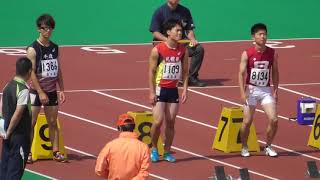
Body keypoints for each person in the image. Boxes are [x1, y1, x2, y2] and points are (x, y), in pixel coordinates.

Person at [26, 14, 66, 163]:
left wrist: (62, 89)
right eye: (44, 28)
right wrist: (41, 92)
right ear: (39, 29)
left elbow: (58, 69)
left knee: (52, 122)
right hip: (36, 92)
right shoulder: (33, 49)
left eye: (50, 28)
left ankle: (55, 152)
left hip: (51, 91)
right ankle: (28, 152)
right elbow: (31, 73)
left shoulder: (55, 47)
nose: (47, 31)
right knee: (32, 122)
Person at [148, 18, 189, 163]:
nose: (180, 33)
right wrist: (152, 91)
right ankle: (154, 149)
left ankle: (167, 152)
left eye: (180, 30)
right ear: (168, 32)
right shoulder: (158, 50)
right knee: (158, 122)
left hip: (173, 90)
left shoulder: (183, 50)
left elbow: (185, 71)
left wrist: (185, 89)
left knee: (171, 122)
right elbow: (151, 72)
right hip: (160, 89)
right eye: (177, 30)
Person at [238, 23, 279, 157]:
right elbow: (241, 73)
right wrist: (242, 93)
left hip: (265, 90)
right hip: (251, 90)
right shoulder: (247, 54)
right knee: (247, 121)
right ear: (253, 37)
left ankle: (268, 146)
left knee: (274, 120)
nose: (263, 37)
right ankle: (244, 146)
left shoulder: (272, 53)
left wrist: (276, 90)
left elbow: (275, 72)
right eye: (260, 34)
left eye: (264, 34)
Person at [150, 0, 206, 87]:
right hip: (163, 43)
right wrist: (168, 40)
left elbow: (189, 30)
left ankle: (191, 77)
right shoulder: (159, 12)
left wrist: (192, 39)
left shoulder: (185, 11)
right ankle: (162, 78)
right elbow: (155, 32)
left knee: (198, 49)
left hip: (181, 44)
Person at [0, 57, 32, 179]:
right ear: (29, 71)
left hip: (7, 135)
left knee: (4, 168)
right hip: (19, 136)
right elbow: (18, 114)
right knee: (14, 172)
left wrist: (4, 129)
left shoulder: (8, 85)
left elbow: (2, 106)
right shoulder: (23, 90)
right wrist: (9, 131)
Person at [95, 114, 150, 180]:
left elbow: (99, 169)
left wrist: (111, 176)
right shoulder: (143, 147)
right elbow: (144, 172)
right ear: (134, 127)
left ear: (119, 128)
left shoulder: (111, 145)